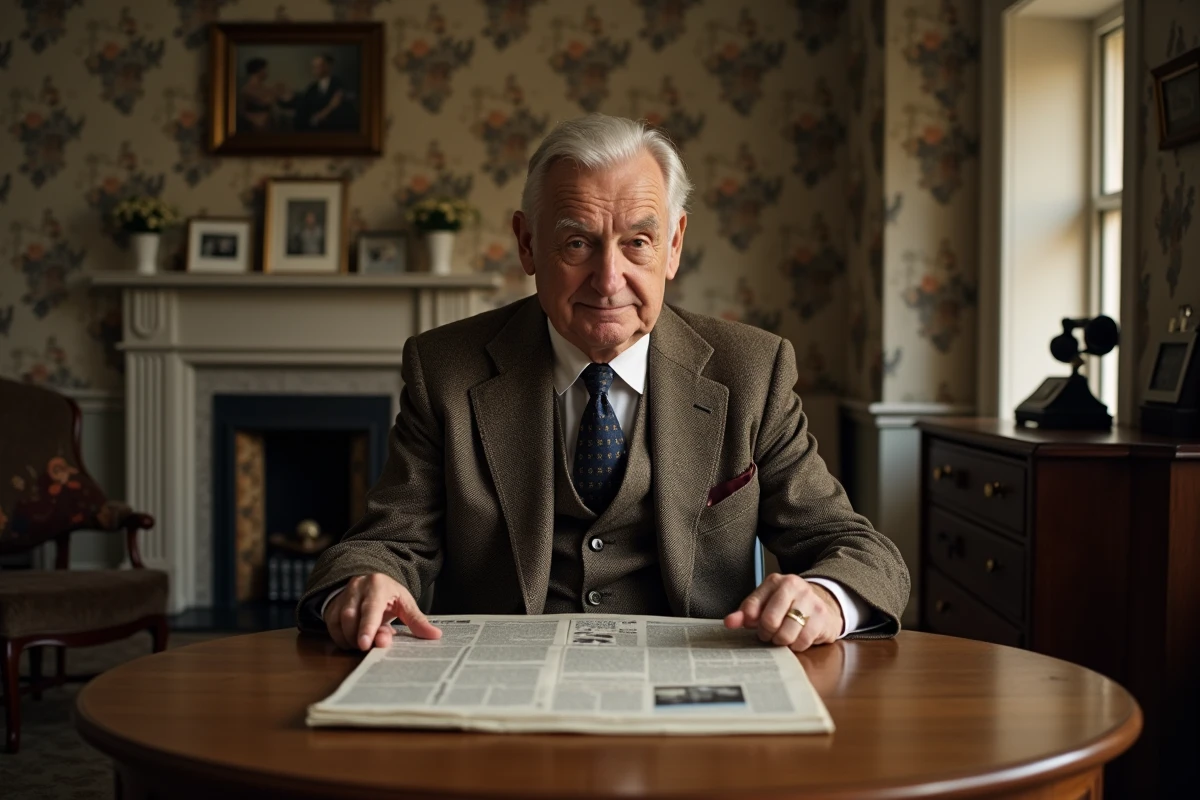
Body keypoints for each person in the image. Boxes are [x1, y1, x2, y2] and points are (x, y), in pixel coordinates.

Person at [297, 114, 909, 652]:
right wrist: (360, 588)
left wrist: (827, 599)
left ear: (673, 246)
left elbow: (853, 546)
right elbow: (384, 544)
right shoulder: (446, 368)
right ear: (527, 243)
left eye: (637, 242)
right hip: (504, 688)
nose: (608, 278)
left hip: (694, 690)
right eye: (577, 243)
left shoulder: (751, 370)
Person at [277, 54, 357, 131]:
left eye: (318, 66)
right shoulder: (313, 88)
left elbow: (340, 102)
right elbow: (303, 101)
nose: (314, 69)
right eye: (313, 67)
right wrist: (287, 97)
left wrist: (325, 112)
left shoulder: (338, 84)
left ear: (327, 66)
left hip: (334, 126)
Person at [237, 58, 279, 131]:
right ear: (259, 70)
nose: (267, 73)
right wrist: (274, 92)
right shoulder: (247, 88)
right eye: (265, 69)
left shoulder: (264, 87)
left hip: (267, 125)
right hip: (255, 126)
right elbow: (265, 100)